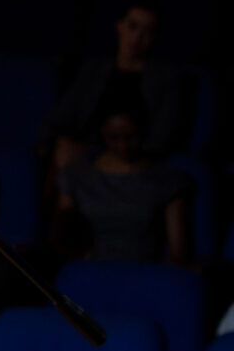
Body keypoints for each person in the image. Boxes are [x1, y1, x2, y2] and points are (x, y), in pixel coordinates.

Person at [44, 0, 190, 169]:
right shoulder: (94, 71)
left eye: (148, 31)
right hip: (87, 152)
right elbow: (63, 115)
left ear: (155, 37)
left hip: (134, 157)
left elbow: (163, 136)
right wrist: (54, 141)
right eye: (133, 27)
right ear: (120, 26)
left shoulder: (166, 79)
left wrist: (121, 155)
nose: (137, 38)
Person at [55, 96, 191, 264]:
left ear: (143, 130)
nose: (123, 146)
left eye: (131, 136)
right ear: (102, 132)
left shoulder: (167, 181)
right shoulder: (75, 177)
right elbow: (65, 241)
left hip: (144, 272)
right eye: (114, 137)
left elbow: (178, 254)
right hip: (90, 270)